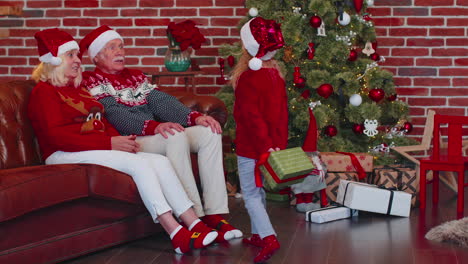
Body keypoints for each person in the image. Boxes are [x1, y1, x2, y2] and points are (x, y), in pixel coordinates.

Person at [28, 28, 219, 255]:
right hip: (61, 152)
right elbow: (55, 136)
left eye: (78, 55)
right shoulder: (44, 91)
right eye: (71, 56)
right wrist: (109, 144)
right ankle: (175, 232)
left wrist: (118, 139)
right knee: (139, 165)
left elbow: (101, 122)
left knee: (159, 162)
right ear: (55, 61)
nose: (78, 61)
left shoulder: (79, 91)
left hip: (89, 147)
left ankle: (195, 224)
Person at [78, 25, 242, 243]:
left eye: (121, 46)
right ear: (97, 57)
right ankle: (194, 216)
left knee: (208, 132)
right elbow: (115, 114)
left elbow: (161, 101)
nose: (120, 52)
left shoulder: (135, 77)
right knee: (174, 136)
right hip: (134, 140)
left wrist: (194, 118)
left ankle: (215, 213)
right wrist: (153, 126)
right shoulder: (92, 81)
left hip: (153, 134)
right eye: (112, 48)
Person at [231, 16, 287, 263]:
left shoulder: (247, 79)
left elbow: (252, 118)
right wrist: (276, 145)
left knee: (250, 194)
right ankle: (256, 234)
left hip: (252, 147)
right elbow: (282, 114)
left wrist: (264, 147)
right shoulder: (275, 75)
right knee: (258, 191)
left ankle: (268, 237)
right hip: (271, 144)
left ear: (248, 47)